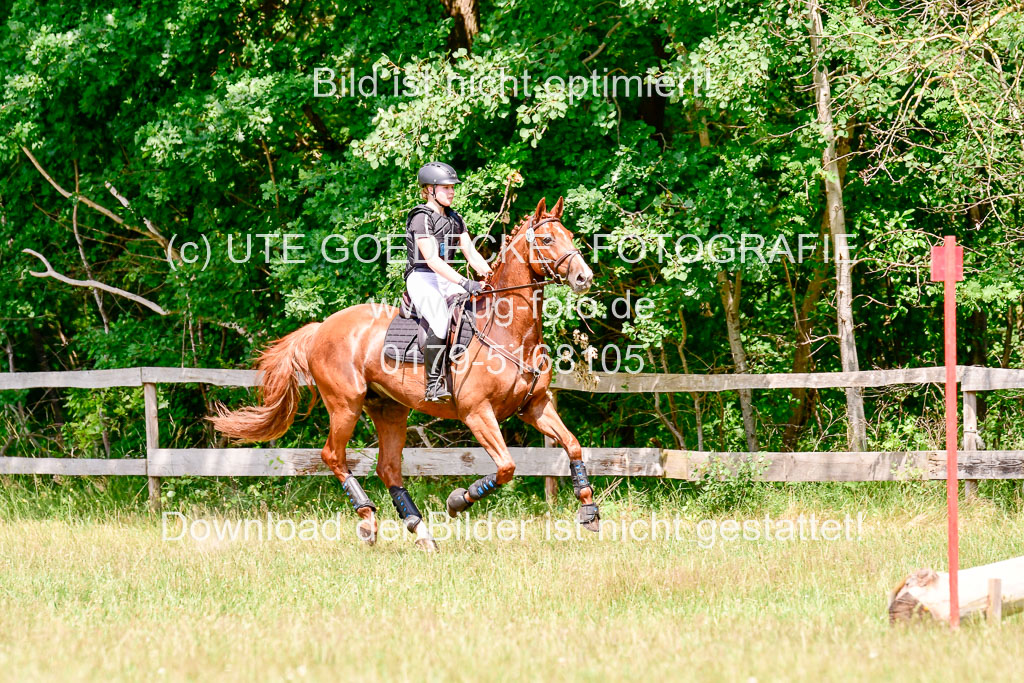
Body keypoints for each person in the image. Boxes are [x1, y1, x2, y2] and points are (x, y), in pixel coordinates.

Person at [405, 161, 492, 402]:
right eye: (445, 187)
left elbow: (471, 253)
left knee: (478, 308)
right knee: (441, 318)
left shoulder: (455, 218)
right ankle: (433, 384)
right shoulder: (420, 218)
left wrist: (488, 274)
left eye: (453, 187)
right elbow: (432, 260)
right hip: (422, 277)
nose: (451, 191)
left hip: (445, 277)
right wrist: (465, 283)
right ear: (430, 190)